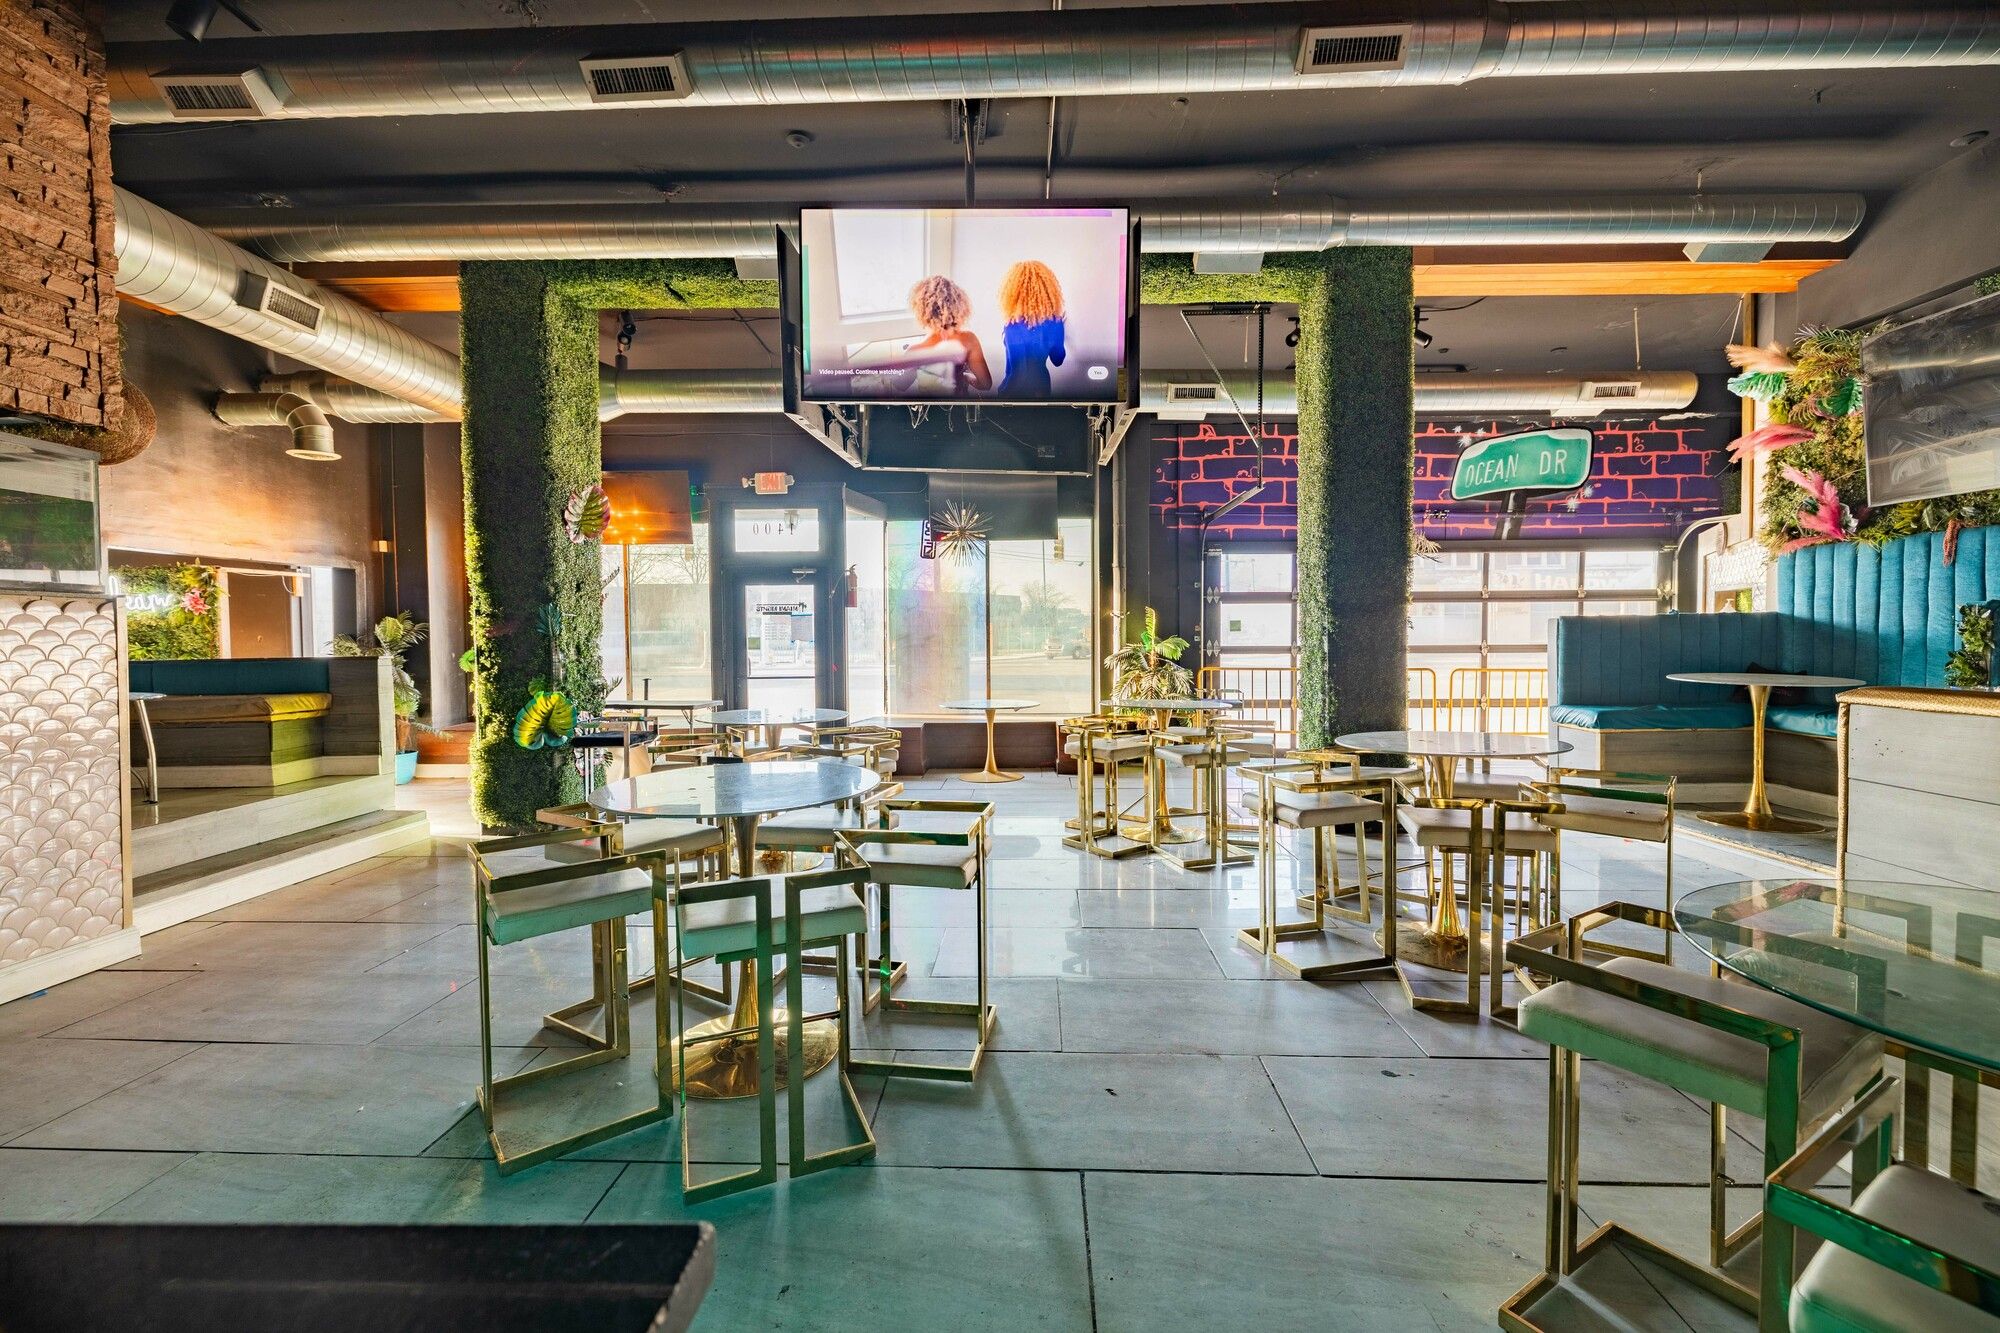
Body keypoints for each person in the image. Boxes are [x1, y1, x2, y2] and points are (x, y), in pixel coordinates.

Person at [905, 274, 992, 394]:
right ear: (958, 305)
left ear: (921, 311)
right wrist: (964, 377)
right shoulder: (969, 340)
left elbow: (900, 386)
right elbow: (985, 384)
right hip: (960, 405)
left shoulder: (916, 351)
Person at [997, 260, 1067, 397]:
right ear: (1047, 289)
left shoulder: (1013, 326)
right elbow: (1058, 360)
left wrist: (1001, 393)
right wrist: (1059, 331)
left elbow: (1019, 373)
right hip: (1043, 388)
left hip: (1016, 394)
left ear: (1014, 291)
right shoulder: (1055, 323)